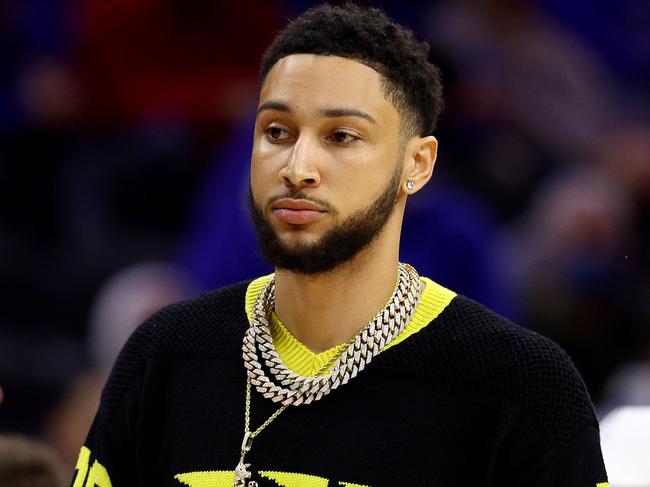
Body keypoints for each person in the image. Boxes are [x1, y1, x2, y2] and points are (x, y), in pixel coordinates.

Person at [72, 4, 609, 486]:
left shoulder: (524, 384)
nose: (297, 168)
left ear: (416, 165)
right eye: (277, 132)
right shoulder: (163, 354)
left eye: (341, 137)